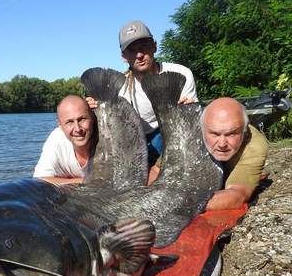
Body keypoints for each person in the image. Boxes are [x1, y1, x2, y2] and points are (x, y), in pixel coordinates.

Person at [88, 20, 198, 164]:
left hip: (170, 134)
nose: (139, 55)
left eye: (144, 47)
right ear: (124, 56)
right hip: (133, 141)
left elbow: (190, 126)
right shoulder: (118, 88)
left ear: (154, 46)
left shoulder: (181, 74)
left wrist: (189, 111)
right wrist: (88, 111)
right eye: (132, 50)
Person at [200, 97, 268, 210]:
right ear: (201, 129)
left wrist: (184, 205)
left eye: (231, 134)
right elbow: (160, 170)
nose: (222, 144)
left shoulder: (255, 145)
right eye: (215, 134)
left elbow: (237, 195)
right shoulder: (188, 135)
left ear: (244, 131)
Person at [33, 95, 96, 185]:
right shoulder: (56, 138)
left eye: (82, 119)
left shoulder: (106, 134)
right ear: (60, 125)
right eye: (69, 122)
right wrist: (85, 181)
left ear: (92, 118)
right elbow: (39, 180)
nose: (77, 129)